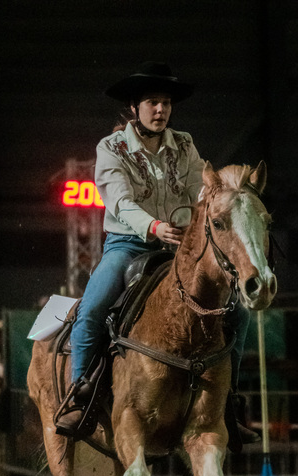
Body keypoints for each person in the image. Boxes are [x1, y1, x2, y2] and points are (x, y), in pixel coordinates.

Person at [55, 62, 258, 444]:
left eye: (166, 103)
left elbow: (203, 187)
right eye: (153, 102)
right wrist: (153, 226)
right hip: (128, 244)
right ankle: (80, 394)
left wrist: (217, 204)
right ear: (135, 107)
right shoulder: (110, 148)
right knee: (94, 305)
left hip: (183, 246)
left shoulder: (185, 143)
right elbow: (119, 201)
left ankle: (227, 402)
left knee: (240, 312)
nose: (161, 110)